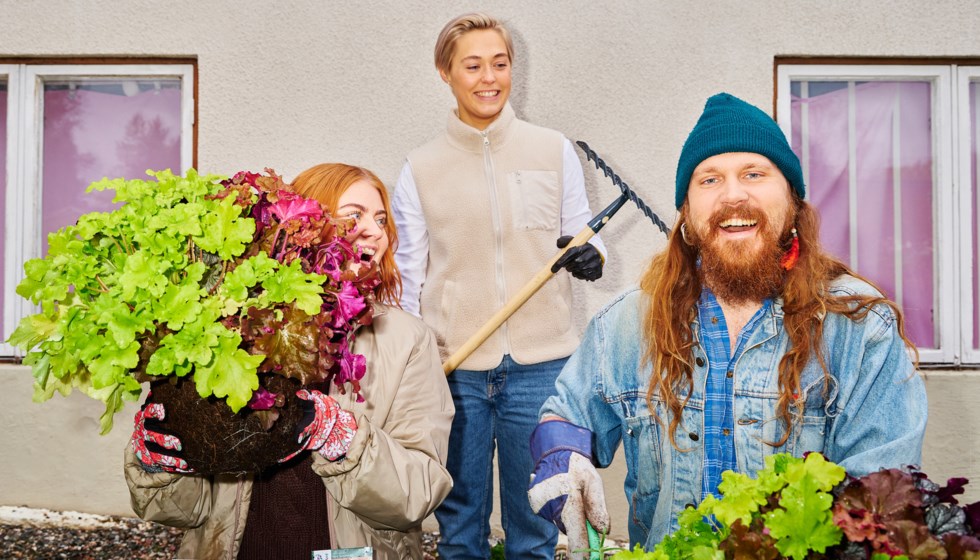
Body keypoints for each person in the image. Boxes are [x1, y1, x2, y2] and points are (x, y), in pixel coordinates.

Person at [526, 92, 929, 557]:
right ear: (687, 214)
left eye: (754, 175)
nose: (733, 195)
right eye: (710, 179)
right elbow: (567, 413)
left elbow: (882, 491)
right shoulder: (627, 324)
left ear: (793, 202)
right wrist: (561, 456)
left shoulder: (859, 328)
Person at [124, 163, 455, 560]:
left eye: (381, 220)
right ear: (305, 227)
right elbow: (183, 511)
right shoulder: (234, 325)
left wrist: (339, 436)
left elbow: (418, 493)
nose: (374, 230)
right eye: (354, 215)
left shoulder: (407, 340)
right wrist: (159, 463)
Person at [390, 12, 608, 559]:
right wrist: (410, 366)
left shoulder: (552, 149)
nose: (489, 78)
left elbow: (582, 233)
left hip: (542, 364)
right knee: (459, 522)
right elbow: (408, 275)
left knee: (535, 522)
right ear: (446, 73)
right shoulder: (420, 168)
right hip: (455, 369)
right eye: (473, 65)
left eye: (500, 63)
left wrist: (592, 255)